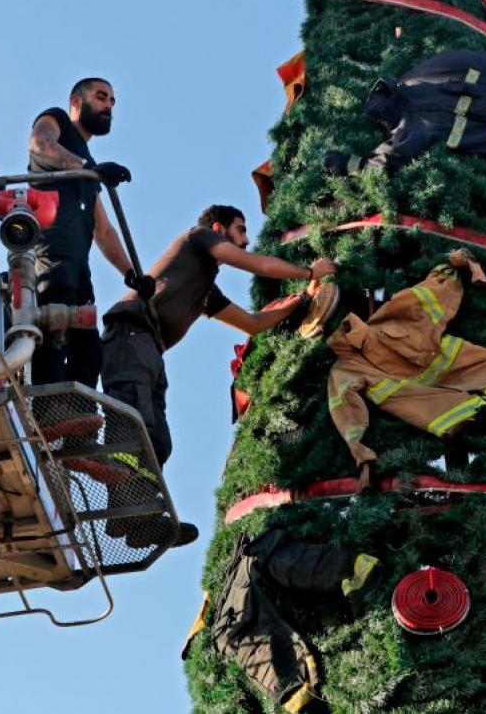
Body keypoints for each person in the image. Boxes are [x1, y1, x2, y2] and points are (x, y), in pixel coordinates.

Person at [100, 204, 337, 547]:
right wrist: (308, 272)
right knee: (132, 425)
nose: (245, 240)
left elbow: (252, 323)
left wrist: (299, 302)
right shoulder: (198, 237)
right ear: (217, 228)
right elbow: (254, 264)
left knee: (158, 440)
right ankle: (128, 513)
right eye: (240, 230)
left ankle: (136, 517)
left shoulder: (205, 290)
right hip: (130, 336)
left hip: (148, 348)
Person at [27, 77, 137, 390]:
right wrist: (87, 168)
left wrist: (131, 275)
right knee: (54, 324)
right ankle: (48, 407)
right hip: (52, 252)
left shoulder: (88, 167)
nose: (108, 106)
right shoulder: (56, 120)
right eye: (102, 97)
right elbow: (40, 144)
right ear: (76, 102)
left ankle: (76, 417)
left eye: (112, 102)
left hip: (79, 268)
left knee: (89, 352)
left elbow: (103, 231)